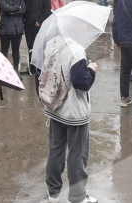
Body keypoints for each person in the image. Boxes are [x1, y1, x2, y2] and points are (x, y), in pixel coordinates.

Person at [41, 18, 100, 203]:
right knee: (77, 154)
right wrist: (91, 70)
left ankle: (53, 193)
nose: (84, 26)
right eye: (81, 23)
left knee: (56, 150)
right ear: (72, 25)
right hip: (74, 113)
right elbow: (81, 83)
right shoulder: (77, 50)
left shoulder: (52, 43)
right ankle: (77, 196)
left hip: (54, 107)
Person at [23, 0, 52, 72]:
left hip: (38, 25)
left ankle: (40, 68)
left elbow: (47, 9)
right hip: (27, 24)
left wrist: (40, 21)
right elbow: (23, 7)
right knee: (30, 46)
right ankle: (31, 68)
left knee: (39, 47)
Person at [0, 0, 26, 73]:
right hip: (6, 28)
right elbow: (5, 8)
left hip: (17, 28)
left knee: (16, 51)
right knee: (4, 51)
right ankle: (3, 70)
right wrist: (17, 7)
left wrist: (13, 10)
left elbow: (23, 9)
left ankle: (16, 71)